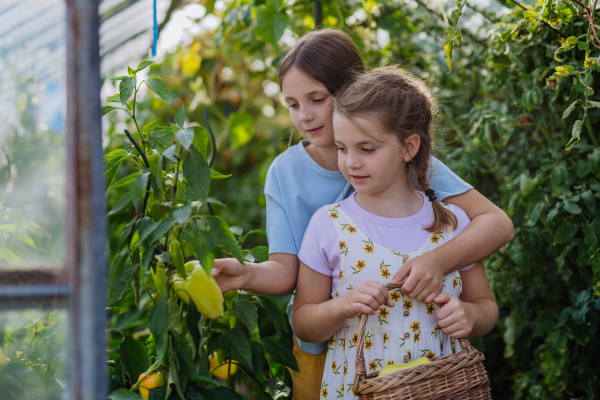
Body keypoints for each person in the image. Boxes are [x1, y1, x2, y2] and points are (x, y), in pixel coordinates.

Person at [211, 29, 512, 400]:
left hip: (427, 366)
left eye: (317, 99)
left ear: (351, 91)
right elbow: (288, 272)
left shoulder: (408, 159)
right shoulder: (287, 175)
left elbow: (496, 224)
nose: (304, 116)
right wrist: (247, 273)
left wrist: (437, 262)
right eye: (292, 104)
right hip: (325, 352)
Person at [291, 66, 499, 399]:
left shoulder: (453, 224)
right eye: (342, 148)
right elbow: (303, 322)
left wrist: (471, 315)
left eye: (367, 149)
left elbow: (485, 306)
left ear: (409, 147)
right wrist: (343, 305)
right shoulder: (327, 225)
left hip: (444, 389)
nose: (351, 163)